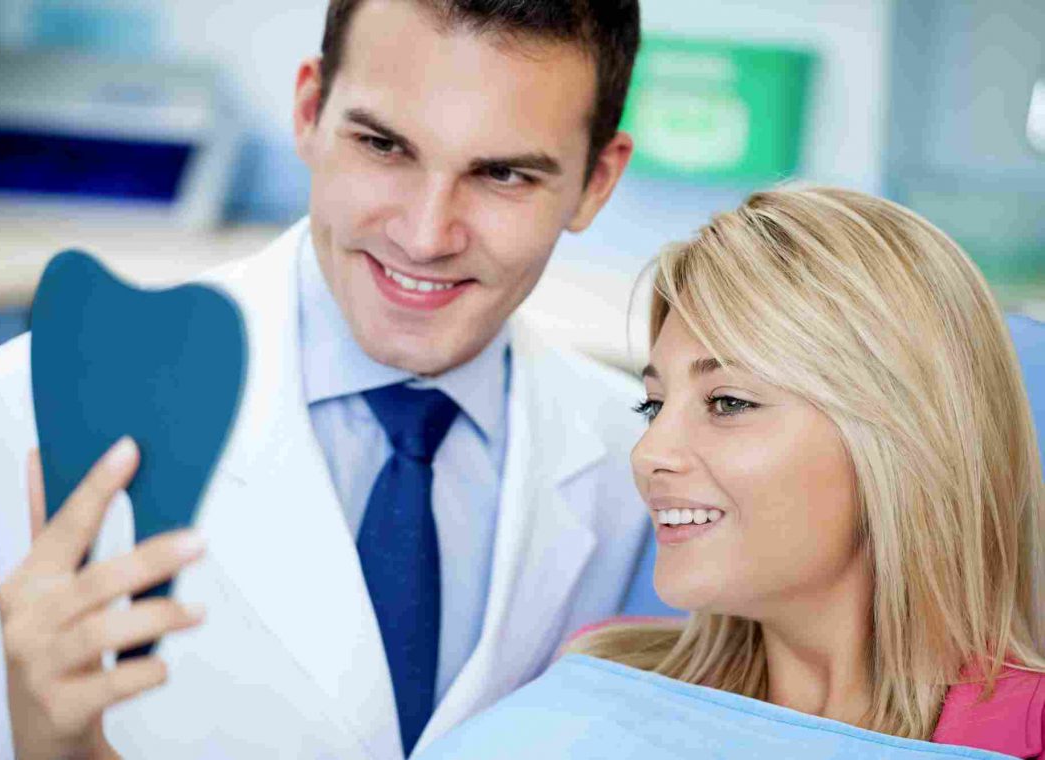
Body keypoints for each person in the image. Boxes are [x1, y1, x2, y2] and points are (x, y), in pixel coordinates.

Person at [0, 1, 649, 758]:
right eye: (383, 145)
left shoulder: (640, 465)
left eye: (503, 175)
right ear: (309, 112)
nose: (426, 236)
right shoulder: (10, 417)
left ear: (596, 181)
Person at [414, 187, 1045, 757]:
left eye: (728, 403)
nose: (649, 453)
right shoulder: (602, 684)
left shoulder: (1025, 734)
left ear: (902, 439)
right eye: (653, 406)